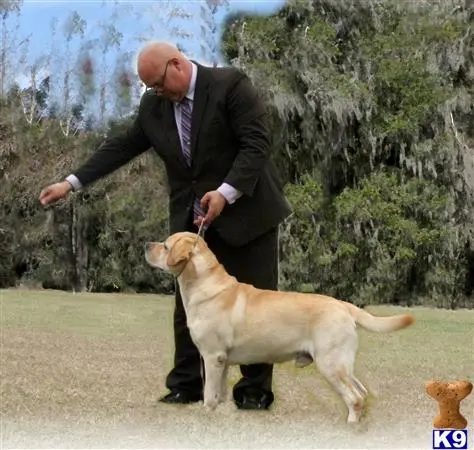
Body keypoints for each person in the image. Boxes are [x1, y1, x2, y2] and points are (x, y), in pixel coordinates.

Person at [39, 41, 292, 410]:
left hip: (247, 213)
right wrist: (70, 182)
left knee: (258, 307)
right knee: (188, 306)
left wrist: (224, 193)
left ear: (176, 64)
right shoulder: (154, 105)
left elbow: (256, 144)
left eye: (157, 84)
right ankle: (185, 385)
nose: (155, 93)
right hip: (191, 224)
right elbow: (122, 146)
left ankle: (253, 391)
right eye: (149, 88)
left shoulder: (230, 85)